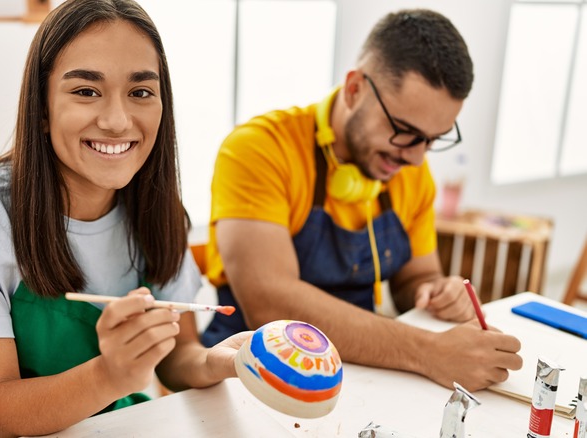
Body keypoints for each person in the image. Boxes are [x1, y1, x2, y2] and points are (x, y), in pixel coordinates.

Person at [0, 1, 248, 436]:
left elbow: (177, 358)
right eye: (86, 91)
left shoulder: (159, 214)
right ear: (42, 109)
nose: (117, 120)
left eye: (140, 92)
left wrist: (223, 360)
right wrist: (111, 375)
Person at [200, 8, 522, 392]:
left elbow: (417, 277)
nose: (417, 158)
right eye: (404, 131)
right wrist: (428, 352)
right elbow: (272, 303)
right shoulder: (258, 150)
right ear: (354, 89)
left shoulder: (410, 170)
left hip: (358, 372)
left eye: (432, 140)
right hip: (250, 377)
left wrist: (437, 291)